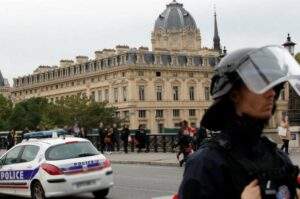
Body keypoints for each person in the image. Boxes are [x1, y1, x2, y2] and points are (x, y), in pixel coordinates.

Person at [178, 45, 300, 199]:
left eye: (274, 86)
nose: (272, 93)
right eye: (260, 84)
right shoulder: (206, 164)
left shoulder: (278, 158)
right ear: (234, 94)